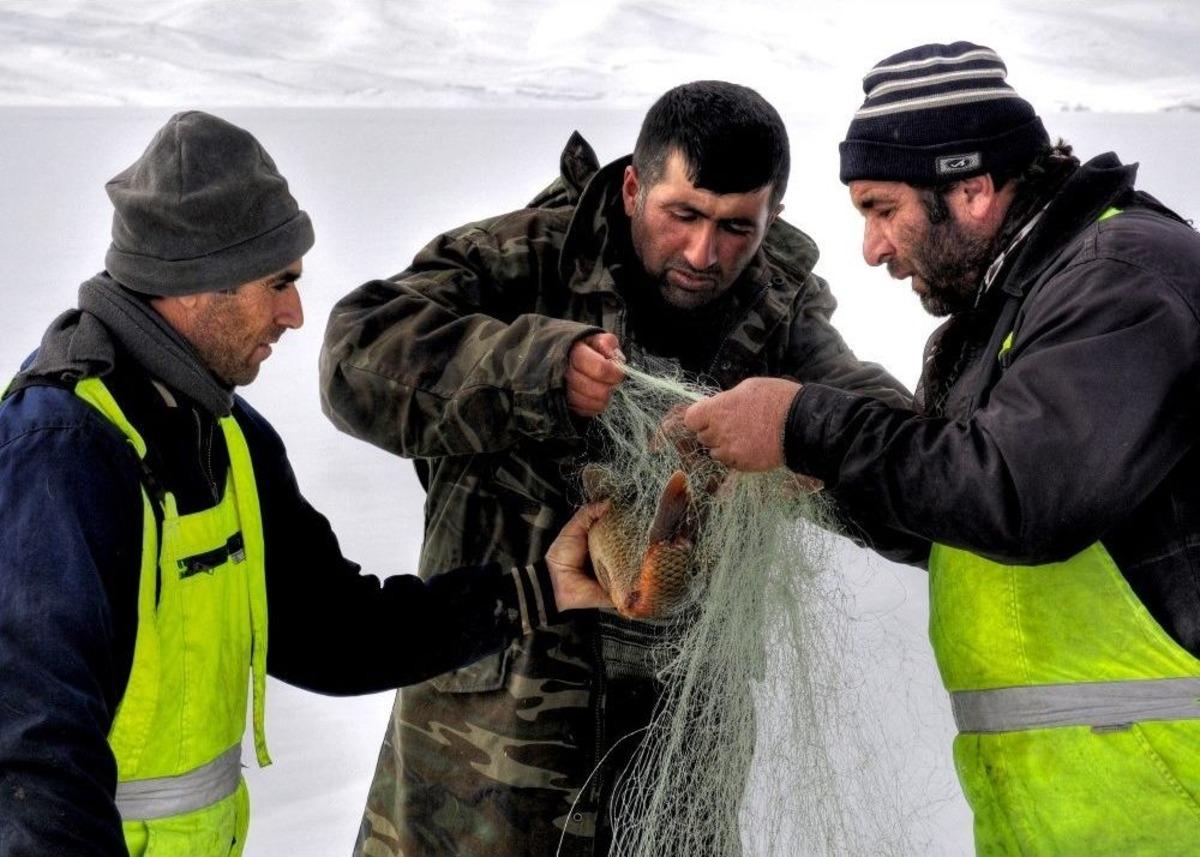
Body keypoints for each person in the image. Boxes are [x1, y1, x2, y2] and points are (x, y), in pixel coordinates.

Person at [320, 80, 910, 856]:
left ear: (772, 218)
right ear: (634, 187)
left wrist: (808, 438)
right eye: (682, 215)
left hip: (674, 775)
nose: (703, 253)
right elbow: (353, 359)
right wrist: (538, 370)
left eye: (737, 227)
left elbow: (900, 452)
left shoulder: (783, 317)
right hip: (482, 773)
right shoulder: (518, 260)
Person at [0, 111, 612, 857]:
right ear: (196, 281)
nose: (294, 314)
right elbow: (34, 763)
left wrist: (538, 589)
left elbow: (334, 633)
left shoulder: (226, 433)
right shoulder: (63, 453)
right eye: (278, 282)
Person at [684, 42, 1200, 855]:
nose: (872, 247)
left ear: (972, 187)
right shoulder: (1002, 316)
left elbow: (1023, 495)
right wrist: (815, 475)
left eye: (881, 208)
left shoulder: (1124, 278)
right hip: (1076, 812)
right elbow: (953, 519)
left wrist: (804, 422)